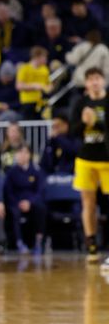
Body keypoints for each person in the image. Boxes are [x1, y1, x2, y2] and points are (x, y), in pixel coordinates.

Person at [70, 67, 109, 263]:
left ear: (103, 81)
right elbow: (72, 132)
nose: (94, 82)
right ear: (86, 83)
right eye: (91, 79)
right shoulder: (81, 103)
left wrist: (97, 123)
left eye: (97, 78)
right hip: (86, 159)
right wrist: (84, 124)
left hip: (107, 160)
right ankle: (91, 245)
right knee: (88, 203)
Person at [4, 144, 46, 255]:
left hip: (32, 201)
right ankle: (19, 242)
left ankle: (39, 241)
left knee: (40, 208)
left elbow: (40, 190)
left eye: (25, 152)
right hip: (16, 202)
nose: (22, 155)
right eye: (19, 153)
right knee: (14, 212)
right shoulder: (11, 172)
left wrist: (30, 202)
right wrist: (18, 203)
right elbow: (9, 192)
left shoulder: (36, 170)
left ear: (30, 155)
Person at [15, 46, 51, 120]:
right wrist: (34, 86)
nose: (46, 59)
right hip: (28, 102)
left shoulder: (45, 69)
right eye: (44, 57)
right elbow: (19, 86)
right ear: (37, 57)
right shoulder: (24, 68)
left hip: (42, 103)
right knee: (29, 126)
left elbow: (48, 84)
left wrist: (49, 87)